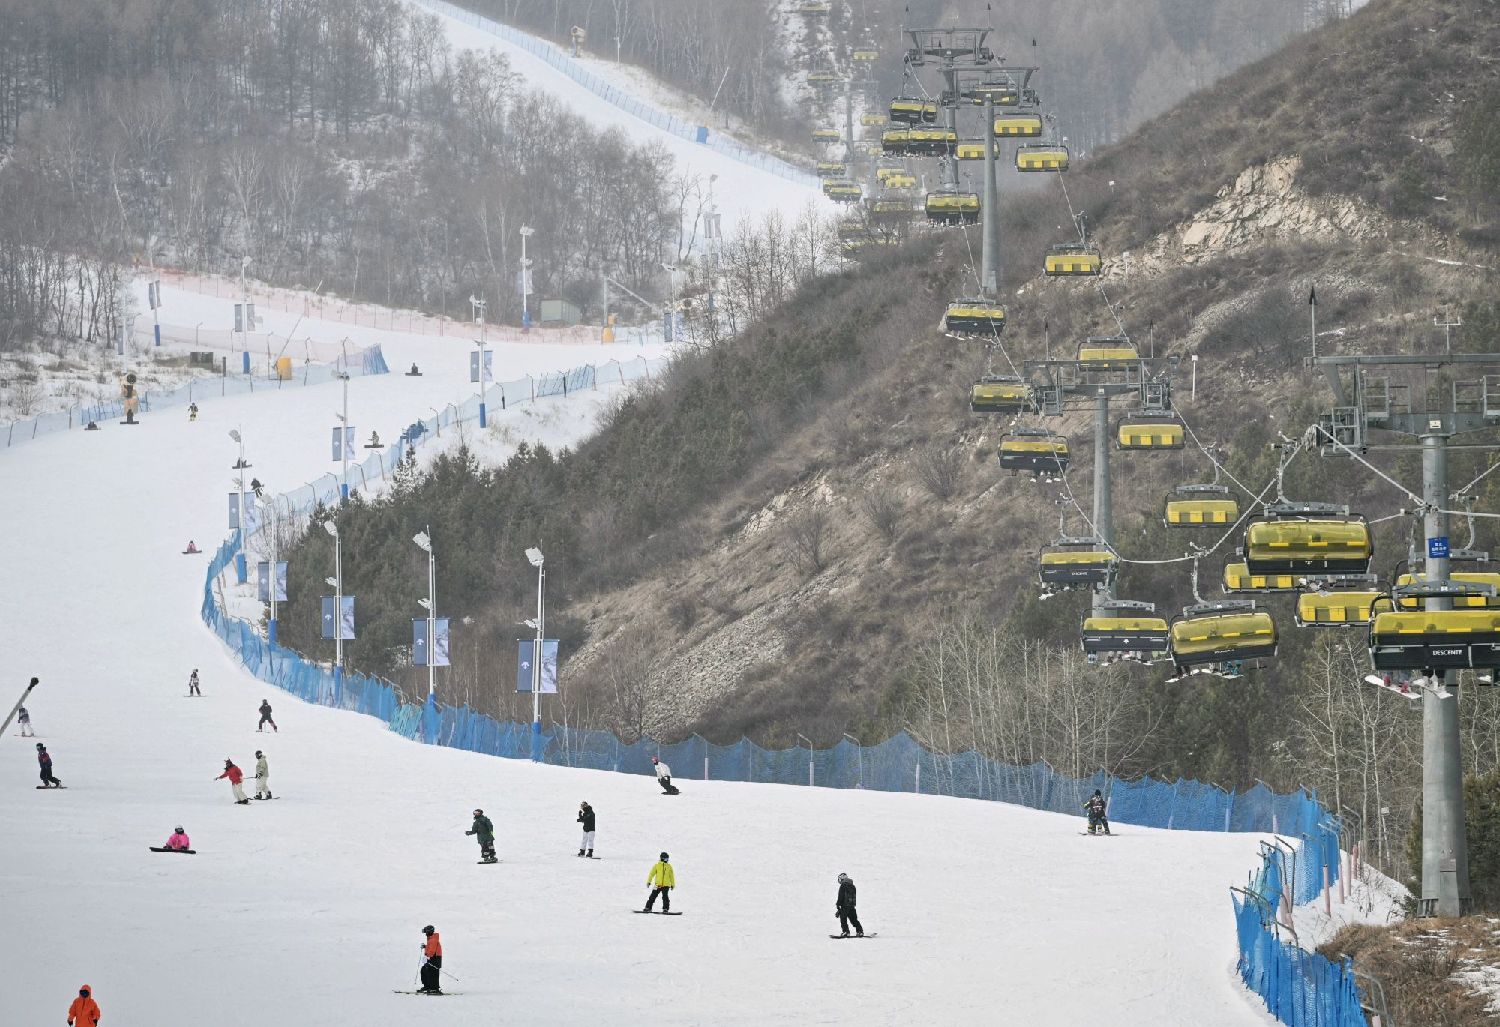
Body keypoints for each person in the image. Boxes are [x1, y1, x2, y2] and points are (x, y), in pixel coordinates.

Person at [835, 873, 864, 937]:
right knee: (854, 919)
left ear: (842, 879)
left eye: (840, 879)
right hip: (852, 906)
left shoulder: (843, 885)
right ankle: (860, 931)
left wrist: (838, 904)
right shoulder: (853, 886)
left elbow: (841, 896)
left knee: (843, 919)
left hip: (844, 906)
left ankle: (846, 932)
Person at [419, 925, 443, 994]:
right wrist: (425, 946)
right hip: (431, 958)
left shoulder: (433, 940)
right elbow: (431, 948)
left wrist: (426, 959)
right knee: (424, 970)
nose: (425, 933)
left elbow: (431, 952)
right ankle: (427, 986)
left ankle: (434, 988)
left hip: (434, 958)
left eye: (426, 932)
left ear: (429, 931)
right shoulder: (431, 939)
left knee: (433, 973)